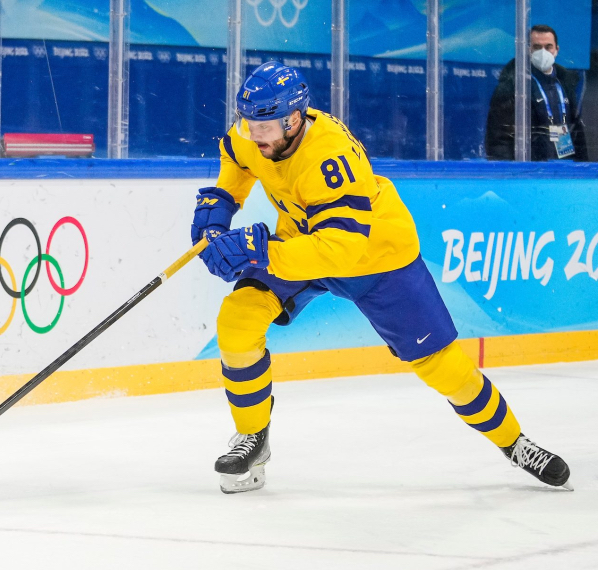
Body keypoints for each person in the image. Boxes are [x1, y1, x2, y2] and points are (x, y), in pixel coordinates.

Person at [194, 61, 571, 494]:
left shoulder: (329, 157)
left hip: (376, 260)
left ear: (294, 119)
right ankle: (252, 440)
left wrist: (258, 250)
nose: (255, 138)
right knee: (238, 320)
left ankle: (515, 443)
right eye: (249, 126)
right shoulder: (254, 133)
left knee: (446, 370)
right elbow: (236, 164)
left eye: (265, 130)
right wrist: (215, 217)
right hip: (303, 242)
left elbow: (340, 250)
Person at [485, 24, 587, 161]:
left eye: (548, 47)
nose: (543, 52)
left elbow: (576, 131)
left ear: (557, 50)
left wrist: (580, 166)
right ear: (529, 50)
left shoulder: (565, 83)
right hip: (530, 170)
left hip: (564, 167)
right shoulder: (513, 85)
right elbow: (499, 138)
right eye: (537, 47)